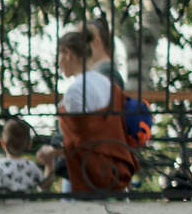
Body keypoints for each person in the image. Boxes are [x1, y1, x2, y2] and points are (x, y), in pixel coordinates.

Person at [49, 27, 135, 196]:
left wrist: (52, 152)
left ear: (68, 53)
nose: (58, 64)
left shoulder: (76, 90)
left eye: (58, 56)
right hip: (109, 167)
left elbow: (78, 140)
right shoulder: (107, 84)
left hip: (84, 173)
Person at [0, 120, 46, 194]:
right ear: (29, 144)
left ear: (3, 143)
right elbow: (43, 185)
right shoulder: (31, 166)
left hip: (4, 205)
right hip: (26, 205)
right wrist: (50, 165)